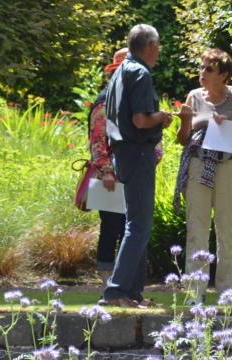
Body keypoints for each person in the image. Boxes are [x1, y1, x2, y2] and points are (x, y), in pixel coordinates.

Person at [175, 48, 232, 301]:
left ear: (223, 75)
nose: (202, 73)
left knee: (228, 229)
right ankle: (194, 292)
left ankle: (228, 292)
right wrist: (185, 122)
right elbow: (183, 139)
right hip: (199, 164)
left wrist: (228, 126)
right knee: (196, 229)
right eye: (201, 67)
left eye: (209, 69)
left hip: (230, 166)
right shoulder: (193, 96)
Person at [101, 24, 173, 307]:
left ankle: (132, 294)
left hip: (122, 153)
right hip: (138, 152)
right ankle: (116, 291)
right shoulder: (141, 73)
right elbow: (140, 120)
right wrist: (162, 116)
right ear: (151, 45)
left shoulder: (120, 71)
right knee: (139, 225)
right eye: (158, 46)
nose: (159, 51)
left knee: (136, 223)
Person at [86, 47, 129, 284]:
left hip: (130, 172)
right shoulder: (104, 102)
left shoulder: (128, 100)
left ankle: (123, 276)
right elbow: (98, 140)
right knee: (111, 227)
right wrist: (106, 171)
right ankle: (106, 277)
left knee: (126, 227)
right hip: (111, 175)